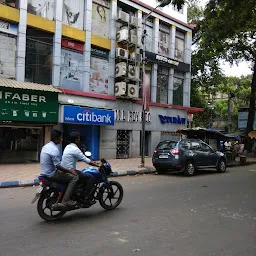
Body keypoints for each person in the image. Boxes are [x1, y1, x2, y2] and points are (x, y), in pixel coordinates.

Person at [40, 129, 79, 207]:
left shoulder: (46, 146)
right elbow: (58, 166)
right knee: (74, 178)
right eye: (60, 138)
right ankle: (66, 200)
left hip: (44, 172)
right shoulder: (54, 149)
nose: (62, 139)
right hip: (52, 174)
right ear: (56, 138)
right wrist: (70, 171)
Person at [61, 132, 100, 204]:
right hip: (70, 171)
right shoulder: (75, 149)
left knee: (82, 175)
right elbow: (85, 159)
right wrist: (98, 165)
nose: (79, 140)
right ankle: (86, 198)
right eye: (78, 138)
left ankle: (78, 192)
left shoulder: (67, 147)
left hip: (64, 169)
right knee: (90, 177)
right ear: (76, 140)